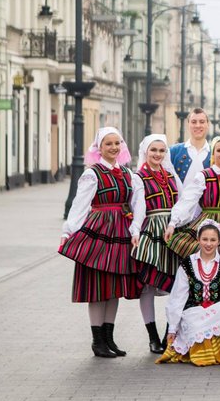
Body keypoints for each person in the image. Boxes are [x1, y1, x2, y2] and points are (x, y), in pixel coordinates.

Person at [59, 127, 140, 358]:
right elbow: (80, 204)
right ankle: (97, 341)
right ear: (99, 148)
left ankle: (109, 338)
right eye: (108, 144)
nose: (114, 147)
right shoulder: (92, 174)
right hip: (99, 232)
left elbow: (134, 204)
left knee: (113, 288)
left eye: (117, 143)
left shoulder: (127, 173)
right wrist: (69, 232)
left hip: (120, 233)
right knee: (98, 288)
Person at [164, 136, 220, 287]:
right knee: (208, 270)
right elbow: (188, 200)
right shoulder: (204, 176)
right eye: (219, 150)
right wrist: (173, 223)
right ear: (213, 154)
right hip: (209, 225)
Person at [157, 219, 220, 366]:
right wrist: (172, 327)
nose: (208, 244)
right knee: (193, 320)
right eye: (204, 239)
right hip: (194, 310)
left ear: (219, 241)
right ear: (198, 239)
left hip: (217, 310)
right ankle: (201, 354)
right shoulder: (187, 264)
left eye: (212, 240)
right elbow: (177, 297)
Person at [130, 134, 182, 354]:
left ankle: (169, 333)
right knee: (148, 285)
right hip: (151, 230)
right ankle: (153, 336)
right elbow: (137, 207)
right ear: (145, 151)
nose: (158, 154)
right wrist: (135, 231)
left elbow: (181, 202)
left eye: (162, 151)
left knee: (178, 285)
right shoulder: (138, 177)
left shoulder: (171, 175)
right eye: (154, 150)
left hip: (172, 231)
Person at [169, 108, 211, 184]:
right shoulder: (174, 151)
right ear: (188, 124)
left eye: (202, 122)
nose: (198, 125)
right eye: (194, 122)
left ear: (208, 124)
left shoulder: (215, 153)